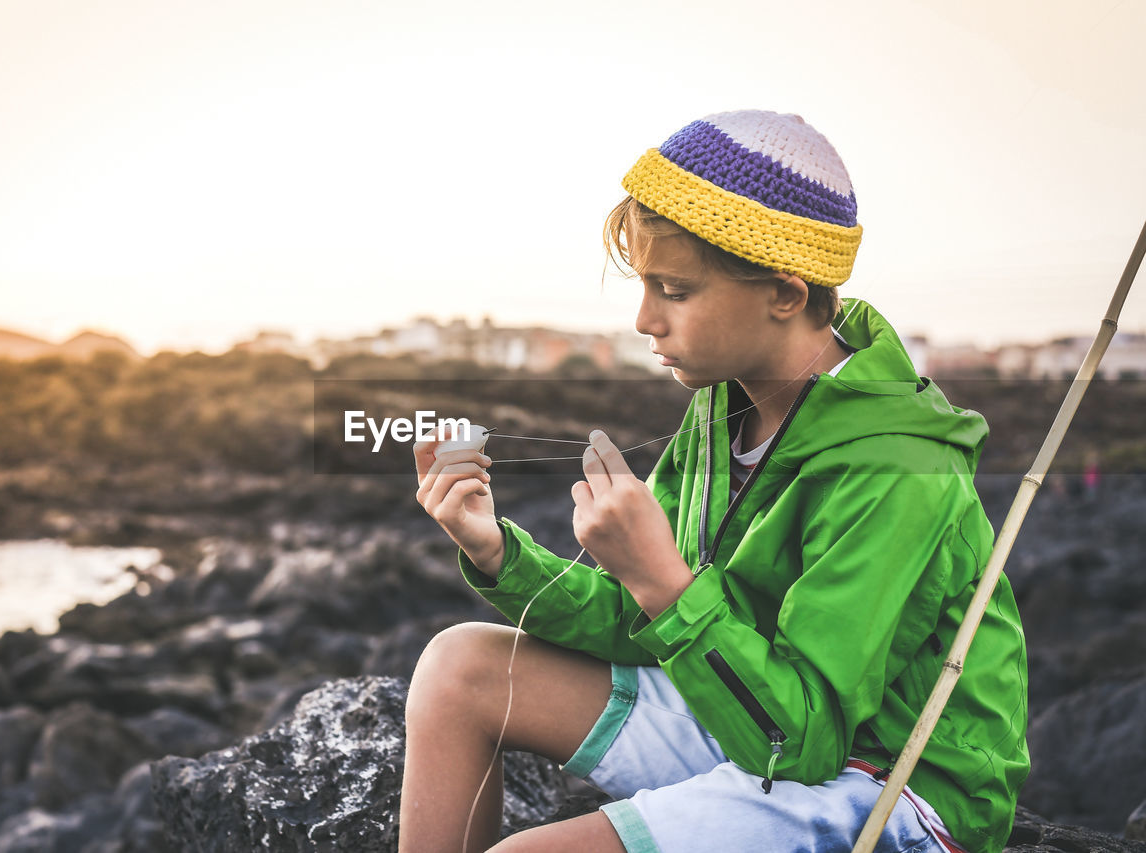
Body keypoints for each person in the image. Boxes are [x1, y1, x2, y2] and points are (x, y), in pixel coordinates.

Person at [402, 110, 1029, 853]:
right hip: (744, 707)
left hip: (887, 779)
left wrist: (664, 580)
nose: (643, 319)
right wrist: (496, 553)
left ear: (787, 293)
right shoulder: (720, 410)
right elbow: (647, 626)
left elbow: (803, 741)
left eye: (674, 289)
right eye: (642, 284)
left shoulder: (898, 464)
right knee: (458, 667)